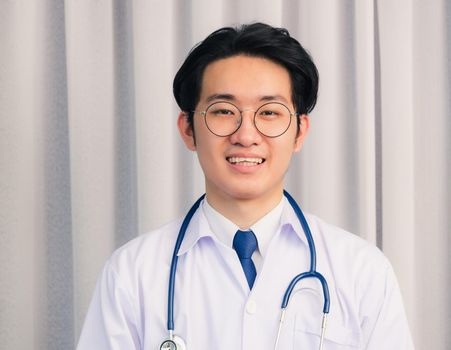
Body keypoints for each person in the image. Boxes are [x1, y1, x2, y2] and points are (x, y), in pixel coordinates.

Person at [77, 23, 414, 349]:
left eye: (269, 113)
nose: (246, 136)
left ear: (299, 132)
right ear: (188, 129)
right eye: (223, 111)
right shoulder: (132, 274)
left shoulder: (361, 271)